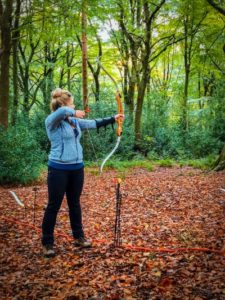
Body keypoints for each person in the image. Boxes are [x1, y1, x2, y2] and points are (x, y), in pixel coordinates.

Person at [42, 88, 124, 257]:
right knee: (53, 206)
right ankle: (47, 243)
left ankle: (79, 237)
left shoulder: (74, 122)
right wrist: (72, 111)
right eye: (72, 103)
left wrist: (113, 118)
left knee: (75, 203)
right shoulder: (52, 122)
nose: (74, 106)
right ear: (65, 104)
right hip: (58, 169)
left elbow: (93, 123)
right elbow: (62, 112)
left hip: (77, 169)